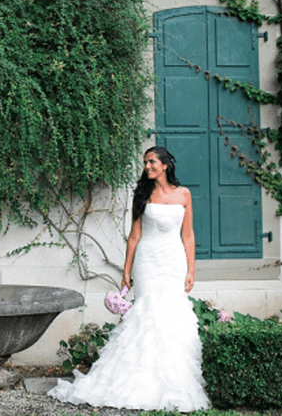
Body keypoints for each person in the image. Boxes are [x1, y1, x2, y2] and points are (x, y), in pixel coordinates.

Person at [48, 146, 210, 411]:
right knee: (147, 315)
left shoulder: (184, 194)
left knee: (172, 316)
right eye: (145, 162)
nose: (147, 166)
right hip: (147, 261)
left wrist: (191, 269)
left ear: (166, 164)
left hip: (173, 262)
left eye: (152, 162)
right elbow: (134, 236)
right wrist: (127, 269)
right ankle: (139, 380)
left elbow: (188, 235)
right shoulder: (143, 194)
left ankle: (173, 383)